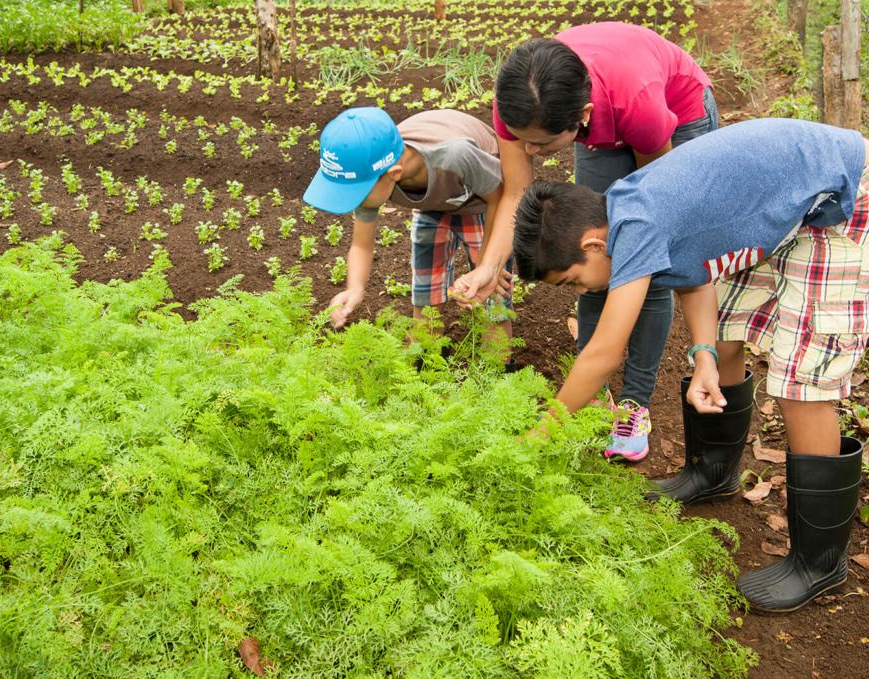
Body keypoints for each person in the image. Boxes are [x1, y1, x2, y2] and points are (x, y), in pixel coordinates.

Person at [511, 117, 868, 613]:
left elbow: (603, 353)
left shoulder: (635, 224)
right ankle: (714, 471)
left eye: (574, 281)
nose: (585, 292)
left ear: (593, 244)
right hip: (794, 202)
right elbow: (696, 273)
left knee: (799, 383)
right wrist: (702, 356)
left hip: (844, 196)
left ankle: (820, 562)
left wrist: (541, 434)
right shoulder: (628, 210)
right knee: (725, 336)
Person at [451, 23, 716, 461]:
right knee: (593, 268)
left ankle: (634, 403)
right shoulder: (520, 106)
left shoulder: (638, 107)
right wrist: (489, 267)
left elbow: (654, 211)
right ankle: (592, 393)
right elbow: (517, 193)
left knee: (643, 267)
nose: (530, 152)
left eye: (540, 144)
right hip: (599, 111)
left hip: (674, 113)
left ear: (584, 117)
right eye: (523, 142)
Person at [303, 106, 515, 366]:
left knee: (491, 300)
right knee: (426, 297)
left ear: (393, 175)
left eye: (356, 193)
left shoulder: (454, 155)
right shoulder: (374, 168)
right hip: (433, 207)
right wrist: (355, 288)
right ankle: (425, 366)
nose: (353, 202)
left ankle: (496, 372)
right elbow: (361, 245)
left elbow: (500, 197)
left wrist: (487, 267)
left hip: (485, 204)